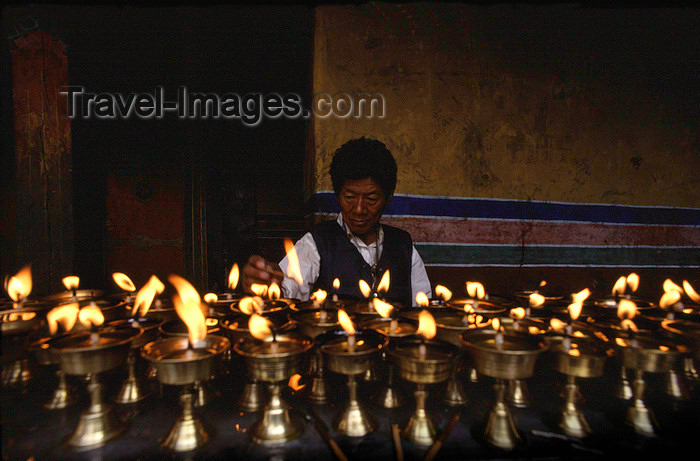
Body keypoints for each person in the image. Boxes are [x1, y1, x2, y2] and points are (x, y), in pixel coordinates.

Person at [241, 137, 432, 307]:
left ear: (388, 197)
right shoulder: (317, 242)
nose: (359, 209)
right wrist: (269, 283)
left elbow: (422, 306)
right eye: (350, 197)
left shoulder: (403, 246)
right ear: (337, 195)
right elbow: (287, 290)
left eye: (371, 199)